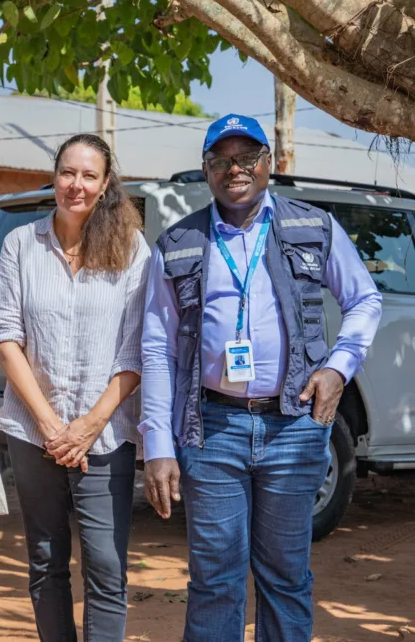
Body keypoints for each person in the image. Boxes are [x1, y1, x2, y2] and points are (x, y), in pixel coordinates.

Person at [140, 114, 383, 641]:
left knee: (286, 576)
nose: (236, 169)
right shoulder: (178, 243)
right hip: (212, 430)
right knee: (214, 581)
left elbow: (365, 299)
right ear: (206, 169)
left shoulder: (312, 226)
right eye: (222, 159)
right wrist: (157, 443)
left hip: (294, 427)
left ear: (268, 164)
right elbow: (157, 347)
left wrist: (338, 368)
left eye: (247, 157)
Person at [0, 134, 149, 642]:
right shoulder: (20, 244)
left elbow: (136, 346)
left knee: (105, 567)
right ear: (54, 176)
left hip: (105, 435)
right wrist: (52, 425)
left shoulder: (130, 248)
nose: (75, 185)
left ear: (104, 186)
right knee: (45, 559)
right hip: (34, 433)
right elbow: (5, 333)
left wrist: (89, 424)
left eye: (88, 176)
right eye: (67, 172)